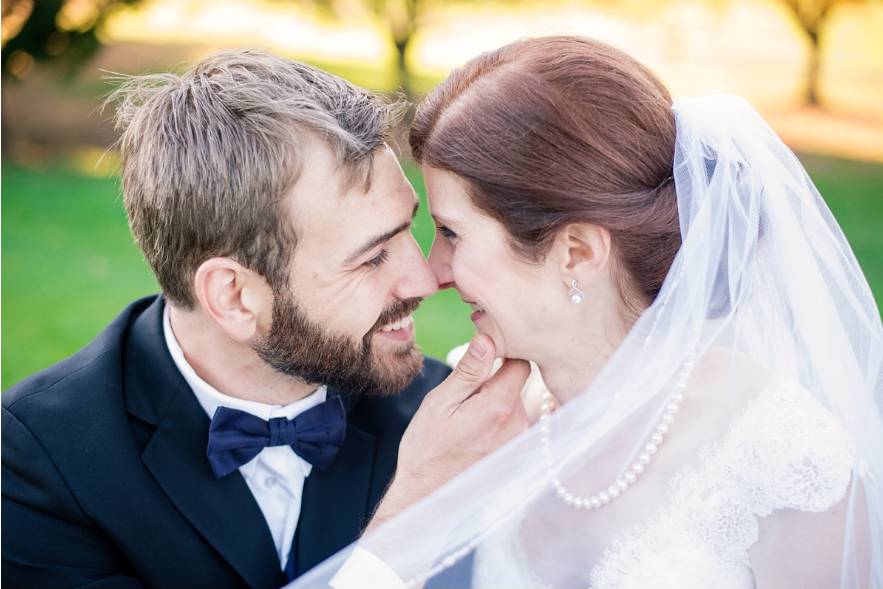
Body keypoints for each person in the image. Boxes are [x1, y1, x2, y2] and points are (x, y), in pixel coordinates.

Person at [287, 36, 883, 588]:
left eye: (451, 232)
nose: (431, 271)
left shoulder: (781, 455)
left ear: (576, 253)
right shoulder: (482, 420)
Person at [1, 50, 531, 589]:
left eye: (407, 230)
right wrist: (406, 522)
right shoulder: (41, 460)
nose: (423, 281)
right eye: (371, 257)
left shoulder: (454, 427)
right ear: (233, 297)